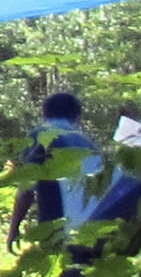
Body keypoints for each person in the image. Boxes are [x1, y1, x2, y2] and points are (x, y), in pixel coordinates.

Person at [8, 91, 101, 241]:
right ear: (77, 117)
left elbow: (27, 189)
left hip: (55, 221)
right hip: (89, 223)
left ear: (44, 113)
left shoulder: (41, 136)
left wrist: (14, 229)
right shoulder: (89, 144)